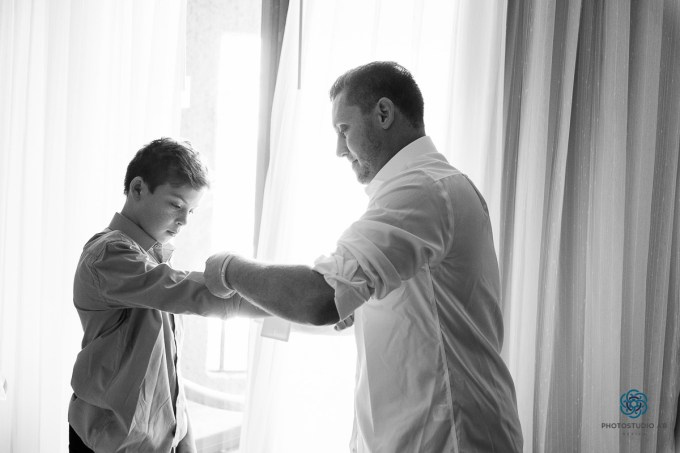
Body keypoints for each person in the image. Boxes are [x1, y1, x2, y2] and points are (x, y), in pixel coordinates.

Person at [204, 61, 523, 451]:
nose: (339, 150)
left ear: (384, 113)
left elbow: (321, 298)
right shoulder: (431, 186)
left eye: (344, 129)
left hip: (449, 439)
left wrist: (229, 268)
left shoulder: (421, 190)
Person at [68, 138, 268, 453]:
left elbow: (165, 365)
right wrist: (285, 302)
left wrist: (183, 435)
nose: (185, 220)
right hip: (112, 443)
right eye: (176, 205)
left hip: (157, 441)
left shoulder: (153, 258)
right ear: (137, 189)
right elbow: (194, 293)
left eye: (191, 210)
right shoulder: (109, 253)